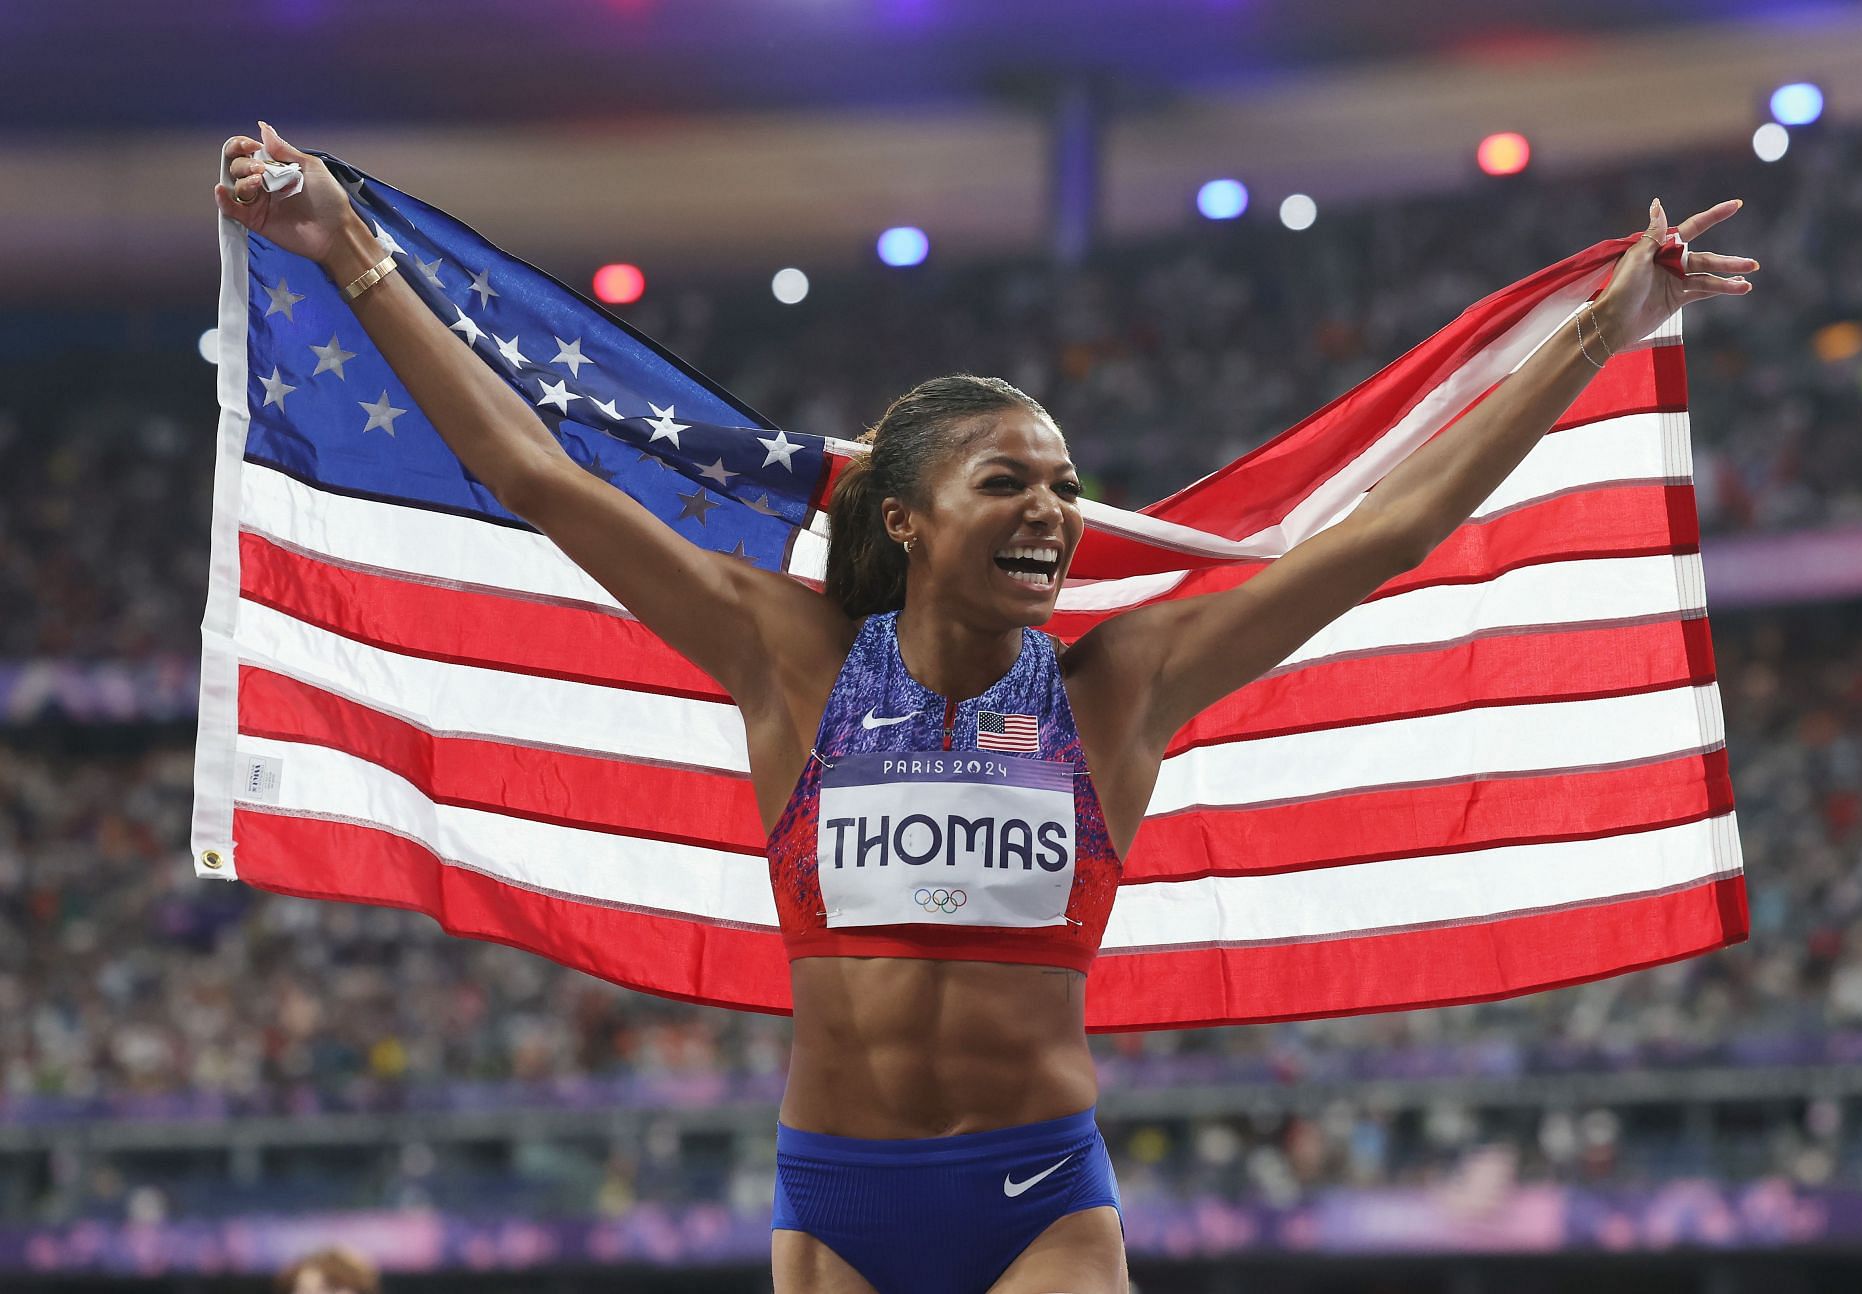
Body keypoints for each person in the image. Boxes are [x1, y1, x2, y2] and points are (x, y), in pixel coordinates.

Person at [217, 122, 1756, 1294]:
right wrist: (346, 242)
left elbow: (1388, 534)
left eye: (1067, 484)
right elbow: (532, 474)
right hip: (834, 1192)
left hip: (1039, 1189)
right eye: (1007, 478)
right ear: (906, 517)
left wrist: (1595, 332)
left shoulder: (1121, 687)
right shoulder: (790, 661)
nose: (1054, 507)